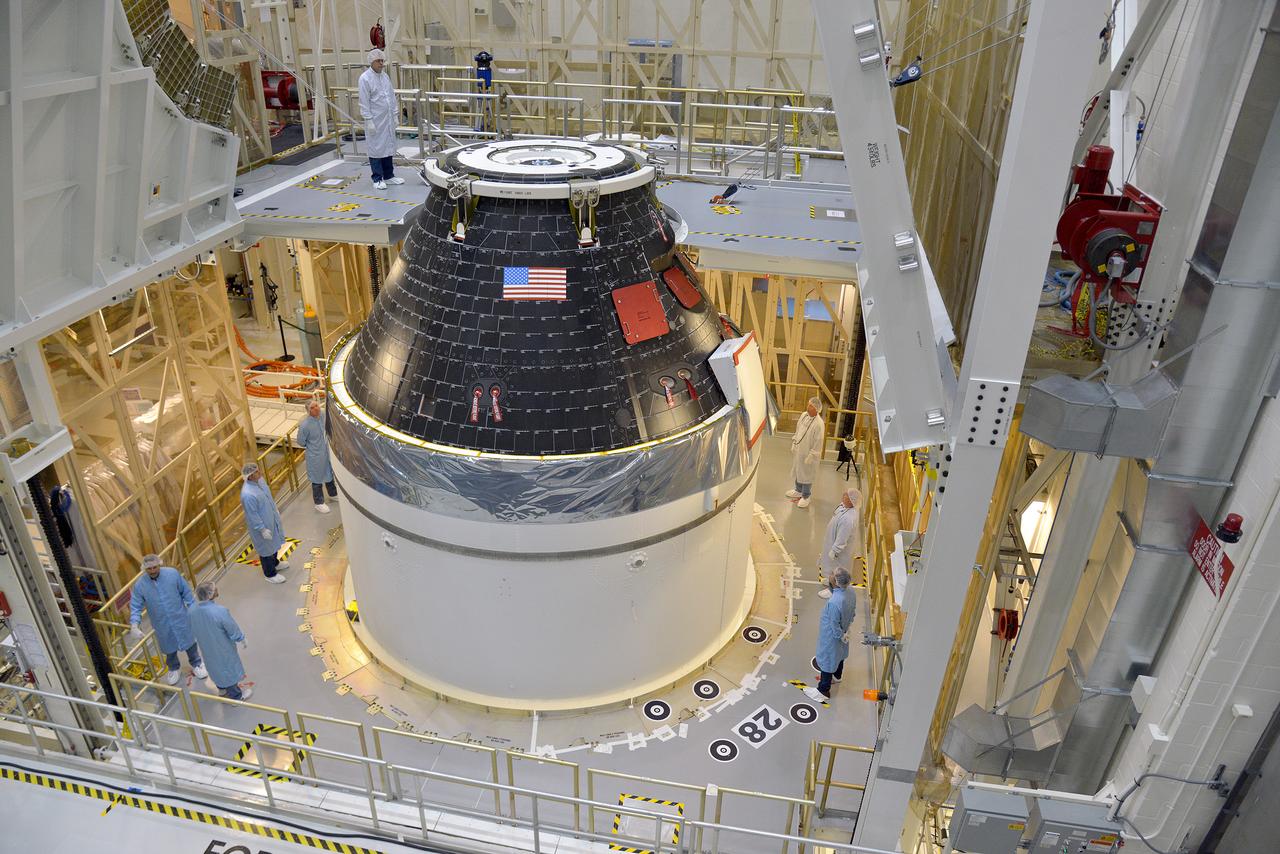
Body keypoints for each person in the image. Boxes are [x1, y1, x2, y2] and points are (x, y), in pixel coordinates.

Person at [127, 555, 207, 686]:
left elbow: (186, 592)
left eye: (155, 567)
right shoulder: (140, 585)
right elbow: (135, 606)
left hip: (180, 618)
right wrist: (134, 625)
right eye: (149, 569)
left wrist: (193, 608)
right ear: (144, 569)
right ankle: (173, 668)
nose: (152, 571)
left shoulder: (172, 574)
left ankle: (197, 663)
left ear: (160, 564)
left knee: (189, 642)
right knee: (168, 647)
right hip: (161, 623)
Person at [188, 582, 252, 701]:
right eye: (214, 589)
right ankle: (236, 696)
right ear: (210, 594)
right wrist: (241, 638)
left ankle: (221, 689)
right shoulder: (219, 611)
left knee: (214, 667)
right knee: (227, 667)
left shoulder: (192, 610)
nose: (216, 589)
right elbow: (232, 628)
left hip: (206, 646)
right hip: (222, 646)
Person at [358, 48, 403, 190]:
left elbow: (391, 96)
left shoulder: (385, 76)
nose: (381, 64)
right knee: (376, 148)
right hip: (375, 120)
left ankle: (389, 176)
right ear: (371, 62)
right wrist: (369, 120)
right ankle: (377, 178)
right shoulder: (365, 78)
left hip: (387, 119)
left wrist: (395, 114)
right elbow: (364, 101)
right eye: (378, 61)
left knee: (388, 146)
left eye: (382, 60)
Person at [240, 462, 289, 584]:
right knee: (266, 551)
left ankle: (275, 563)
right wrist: (262, 529)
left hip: (270, 519)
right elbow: (252, 515)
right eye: (256, 472)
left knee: (274, 544)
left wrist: (274, 509)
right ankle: (270, 574)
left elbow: (267, 496)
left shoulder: (259, 481)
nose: (259, 472)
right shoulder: (248, 494)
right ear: (250, 476)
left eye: (258, 470)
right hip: (262, 526)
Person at [812, 569, 855, 699]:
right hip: (845, 630)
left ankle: (823, 691)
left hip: (832, 636)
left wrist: (840, 635)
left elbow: (834, 624)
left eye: (832, 575)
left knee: (828, 659)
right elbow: (853, 612)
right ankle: (837, 676)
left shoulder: (834, 602)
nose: (830, 575)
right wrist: (845, 633)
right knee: (839, 655)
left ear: (836, 582)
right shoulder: (851, 591)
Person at [818, 488, 863, 600]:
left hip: (840, 551)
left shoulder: (848, 519)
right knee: (832, 568)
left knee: (838, 570)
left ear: (851, 501)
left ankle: (833, 590)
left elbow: (842, 537)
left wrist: (835, 550)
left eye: (847, 495)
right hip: (831, 542)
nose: (843, 495)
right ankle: (830, 581)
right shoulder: (843, 507)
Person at [297, 399, 336, 514]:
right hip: (315, 456)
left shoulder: (323, 415)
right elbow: (301, 441)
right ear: (308, 411)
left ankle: (333, 494)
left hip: (326, 452)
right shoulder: (305, 425)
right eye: (312, 408)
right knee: (317, 479)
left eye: (316, 406)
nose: (316, 409)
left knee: (329, 474)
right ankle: (319, 503)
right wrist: (314, 446)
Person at [786, 396, 825, 508]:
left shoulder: (819, 424)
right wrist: (794, 442)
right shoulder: (804, 415)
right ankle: (798, 490)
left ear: (816, 409)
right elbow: (798, 430)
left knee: (807, 474)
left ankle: (806, 496)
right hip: (799, 450)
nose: (808, 407)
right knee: (798, 470)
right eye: (808, 404)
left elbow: (819, 441)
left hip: (808, 454)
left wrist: (812, 455)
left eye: (811, 406)